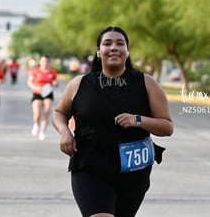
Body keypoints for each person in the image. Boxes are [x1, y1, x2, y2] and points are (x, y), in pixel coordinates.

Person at [52, 26, 174, 217]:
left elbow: (167, 127)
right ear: (99, 52)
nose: (114, 47)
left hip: (133, 173)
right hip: (90, 168)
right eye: (107, 43)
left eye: (120, 43)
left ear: (127, 51)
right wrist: (64, 131)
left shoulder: (146, 83)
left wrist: (138, 120)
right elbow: (59, 113)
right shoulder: (80, 84)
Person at [27, 55, 58, 140]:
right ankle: (36, 124)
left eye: (47, 61)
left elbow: (56, 82)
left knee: (47, 112)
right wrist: (36, 87)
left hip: (48, 93)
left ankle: (42, 131)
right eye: (43, 61)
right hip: (37, 93)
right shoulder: (35, 71)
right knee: (37, 113)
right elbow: (29, 82)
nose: (45, 63)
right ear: (40, 62)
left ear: (49, 62)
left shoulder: (52, 72)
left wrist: (55, 83)